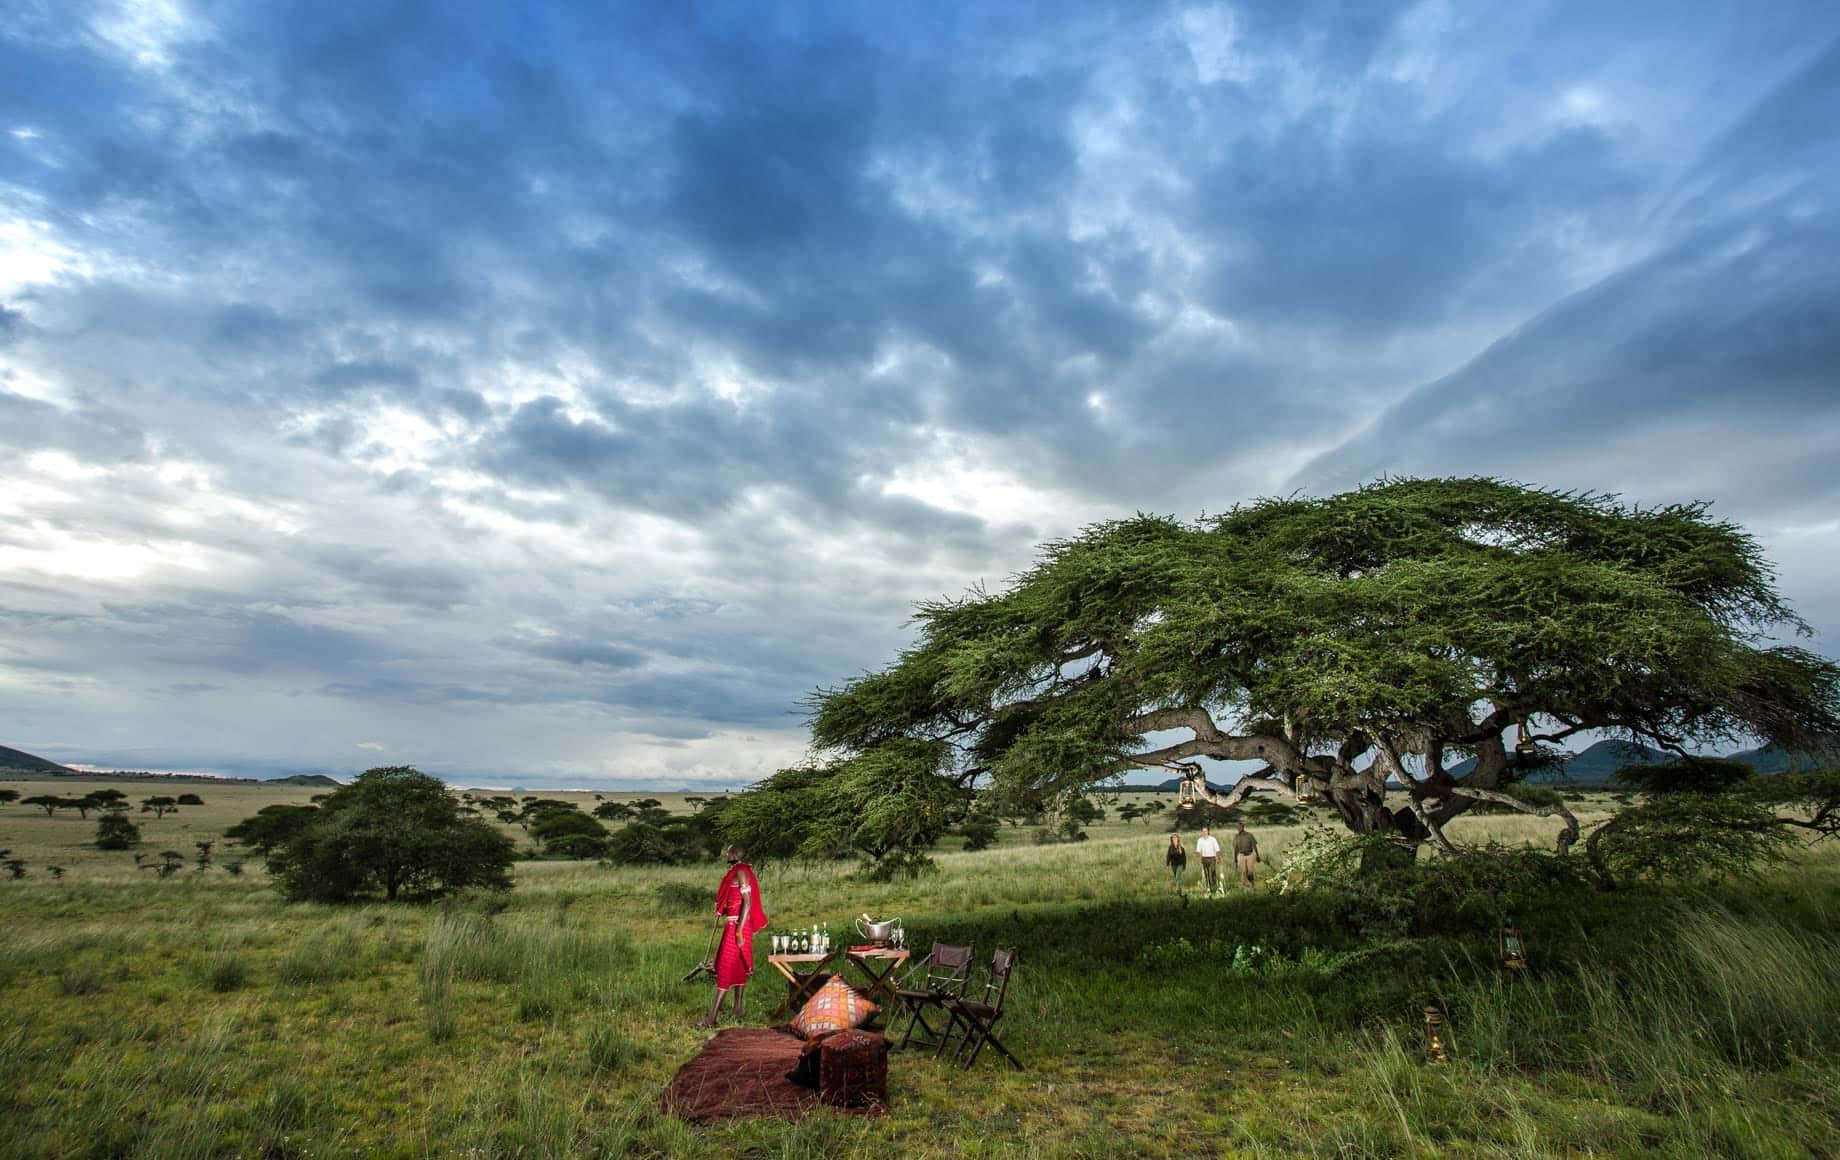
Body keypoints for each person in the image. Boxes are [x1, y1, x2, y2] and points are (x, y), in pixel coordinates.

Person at [697, 844, 770, 1028]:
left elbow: (747, 903)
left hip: (737, 926)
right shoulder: (737, 872)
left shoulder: (742, 872)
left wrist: (738, 930)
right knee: (737, 966)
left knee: (725, 967)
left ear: (734, 854)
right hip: (734, 923)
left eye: (728, 852)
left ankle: (711, 1019)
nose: (726, 855)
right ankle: (737, 1010)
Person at [1194, 825, 1222, 894]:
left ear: (1208, 832)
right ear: (1202, 832)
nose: (1204, 832)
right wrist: (1198, 859)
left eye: (1205, 831)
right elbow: (1198, 851)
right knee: (1206, 873)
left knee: (1212, 872)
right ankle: (1208, 887)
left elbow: (1217, 849)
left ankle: (1214, 886)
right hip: (1204, 859)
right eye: (1203, 831)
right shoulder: (1200, 840)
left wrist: (1218, 858)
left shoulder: (1213, 839)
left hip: (1212, 858)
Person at [1233, 822, 1261, 889]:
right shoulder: (1236, 836)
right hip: (1241, 855)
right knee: (1244, 872)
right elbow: (1235, 848)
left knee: (1250, 872)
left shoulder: (1249, 835)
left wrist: (1257, 855)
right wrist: (1235, 858)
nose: (1238, 829)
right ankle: (1245, 886)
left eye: (1240, 827)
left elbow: (1254, 846)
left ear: (1243, 827)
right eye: (1237, 827)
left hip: (1250, 855)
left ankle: (1252, 883)